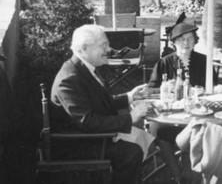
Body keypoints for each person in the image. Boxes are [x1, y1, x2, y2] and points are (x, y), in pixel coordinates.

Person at [50, 24, 182, 184]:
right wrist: (130, 117)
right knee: (130, 152)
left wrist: (129, 97)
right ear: (84, 48)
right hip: (75, 144)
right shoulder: (69, 79)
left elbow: (98, 103)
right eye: (104, 45)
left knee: (142, 135)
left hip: (87, 137)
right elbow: (88, 122)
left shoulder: (83, 69)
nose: (110, 49)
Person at [148, 19, 218, 89]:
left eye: (190, 39)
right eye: (181, 39)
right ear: (174, 42)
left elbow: (214, 86)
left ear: (195, 41)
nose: (186, 43)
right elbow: (151, 88)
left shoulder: (205, 61)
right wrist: (165, 87)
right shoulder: (163, 63)